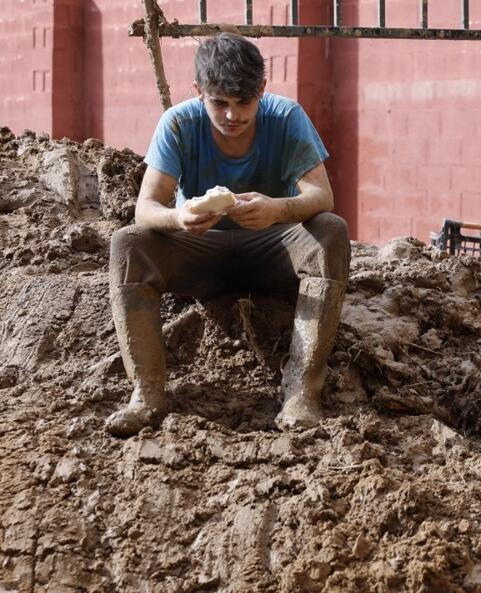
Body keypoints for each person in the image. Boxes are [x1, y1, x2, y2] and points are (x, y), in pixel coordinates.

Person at [106, 32, 350, 436]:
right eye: (220, 103)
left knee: (330, 230)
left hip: (272, 248)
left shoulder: (286, 117)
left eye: (244, 103)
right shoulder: (180, 123)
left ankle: (303, 389)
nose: (233, 116)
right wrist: (180, 217)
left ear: (263, 91)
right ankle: (147, 392)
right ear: (198, 91)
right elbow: (146, 207)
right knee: (127, 243)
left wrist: (277, 209)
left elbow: (321, 195)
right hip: (198, 248)